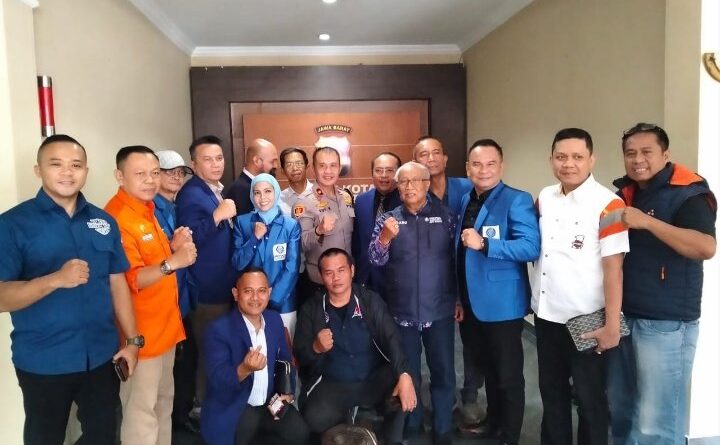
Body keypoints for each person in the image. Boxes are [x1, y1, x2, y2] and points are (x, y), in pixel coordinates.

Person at [0, 135, 139, 445]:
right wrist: (55, 280)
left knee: (104, 437)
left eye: (76, 165)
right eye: (56, 164)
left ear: (86, 171)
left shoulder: (104, 221)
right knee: (44, 438)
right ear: (38, 170)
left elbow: (117, 281)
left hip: (101, 356)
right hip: (44, 360)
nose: (67, 172)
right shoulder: (12, 224)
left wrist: (132, 341)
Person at [607, 123, 717, 445]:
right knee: (622, 410)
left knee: (656, 422)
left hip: (666, 324)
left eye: (646, 152)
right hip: (626, 316)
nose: (637, 159)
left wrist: (648, 222)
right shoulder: (626, 193)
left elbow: (705, 247)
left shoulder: (689, 192)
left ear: (665, 154)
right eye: (630, 153)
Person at [531, 128, 629, 445]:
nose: (568, 164)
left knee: (590, 402)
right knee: (552, 396)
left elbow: (614, 270)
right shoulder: (545, 197)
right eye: (561, 157)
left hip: (588, 321)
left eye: (577, 157)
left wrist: (612, 325)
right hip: (547, 317)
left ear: (591, 159)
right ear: (551, 160)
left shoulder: (609, 204)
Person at [105, 145, 197, 445]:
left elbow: (150, 261)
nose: (150, 180)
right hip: (140, 338)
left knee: (162, 406)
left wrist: (172, 247)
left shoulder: (147, 209)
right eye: (140, 174)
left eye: (155, 173)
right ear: (120, 176)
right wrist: (174, 262)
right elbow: (130, 279)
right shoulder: (118, 218)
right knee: (140, 416)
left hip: (165, 331)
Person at [369, 161, 461, 444]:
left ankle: (443, 428)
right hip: (402, 312)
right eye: (403, 182)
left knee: (443, 372)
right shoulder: (389, 219)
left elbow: (457, 262)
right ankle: (412, 422)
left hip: (439, 310)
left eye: (415, 181)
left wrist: (458, 298)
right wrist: (385, 238)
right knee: (408, 373)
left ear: (426, 184)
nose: (409, 187)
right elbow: (374, 259)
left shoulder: (446, 217)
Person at [455, 139, 540, 445]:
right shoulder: (466, 199)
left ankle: (510, 435)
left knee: (508, 376)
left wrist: (486, 244)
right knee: (488, 369)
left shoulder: (516, 199)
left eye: (491, 164)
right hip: (471, 303)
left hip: (503, 305)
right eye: (477, 164)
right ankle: (494, 422)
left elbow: (530, 247)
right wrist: (458, 297)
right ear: (468, 168)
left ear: (501, 166)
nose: (484, 170)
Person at [294, 248, 416, 445]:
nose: (336, 278)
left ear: (352, 271)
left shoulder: (369, 300)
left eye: (341, 270)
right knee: (314, 417)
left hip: (373, 379)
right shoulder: (311, 308)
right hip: (333, 384)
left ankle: (392, 439)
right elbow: (301, 355)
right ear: (321, 276)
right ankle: (347, 431)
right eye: (329, 273)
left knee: (406, 384)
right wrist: (315, 347)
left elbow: (392, 337)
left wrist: (404, 374)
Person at [413, 136, 481, 420]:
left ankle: (470, 394)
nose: (430, 158)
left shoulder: (467, 188)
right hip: (434, 278)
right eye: (423, 154)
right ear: (416, 161)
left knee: (472, 340)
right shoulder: (414, 191)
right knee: (439, 347)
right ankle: (441, 398)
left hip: (468, 272)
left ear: (445, 158)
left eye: (436, 152)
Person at [201, 268, 309, 445]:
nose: (255, 298)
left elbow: (286, 360)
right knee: (243, 434)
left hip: (270, 402)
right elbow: (217, 380)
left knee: (299, 433)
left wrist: (287, 393)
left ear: (269, 293)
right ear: (236, 294)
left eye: (261, 291)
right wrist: (244, 369)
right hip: (237, 405)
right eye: (248, 291)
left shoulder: (274, 319)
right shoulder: (218, 330)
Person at [176, 135, 238, 410]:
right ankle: (203, 408)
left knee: (218, 349)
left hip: (222, 286)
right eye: (208, 159)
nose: (216, 164)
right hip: (207, 290)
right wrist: (217, 216)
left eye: (219, 158)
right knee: (209, 351)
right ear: (194, 164)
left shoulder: (212, 189)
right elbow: (189, 240)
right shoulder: (192, 193)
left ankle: (211, 404)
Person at [153, 149, 199, 433]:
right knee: (167, 375)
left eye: (180, 172)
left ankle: (179, 420)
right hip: (161, 306)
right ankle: (173, 426)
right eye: (169, 171)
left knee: (184, 367)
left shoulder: (175, 206)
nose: (176, 177)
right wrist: (173, 247)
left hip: (180, 301)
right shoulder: (150, 210)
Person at [232, 173, 301, 336]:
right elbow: (238, 263)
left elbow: (292, 267)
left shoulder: (290, 225)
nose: (262, 197)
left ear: (276, 192)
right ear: (252, 195)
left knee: (284, 346)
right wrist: (254, 239)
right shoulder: (242, 222)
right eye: (257, 192)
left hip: (282, 302)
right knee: (255, 347)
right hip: (251, 302)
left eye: (268, 191)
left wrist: (271, 299)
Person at [293, 146, 355, 293]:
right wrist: (318, 230)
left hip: (347, 278)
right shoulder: (304, 202)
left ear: (339, 168)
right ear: (314, 169)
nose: (328, 171)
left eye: (333, 165)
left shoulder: (346, 196)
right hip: (320, 281)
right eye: (322, 166)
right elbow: (299, 244)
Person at [352, 152, 402, 294]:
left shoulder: (407, 202)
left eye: (390, 170)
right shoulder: (361, 201)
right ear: (372, 173)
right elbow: (357, 244)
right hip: (366, 280)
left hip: (397, 283)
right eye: (378, 170)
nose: (383, 175)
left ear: (399, 173)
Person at [225, 138, 279, 216]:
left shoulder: (247, 186)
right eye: (272, 161)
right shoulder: (241, 190)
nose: (275, 166)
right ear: (257, 161)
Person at [278, 147, 313, 216]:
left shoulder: (321, 193)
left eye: (299, 163)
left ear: (307, 167)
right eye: (289, 165)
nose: (295, 168)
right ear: (282, 170)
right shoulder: (279, 200)